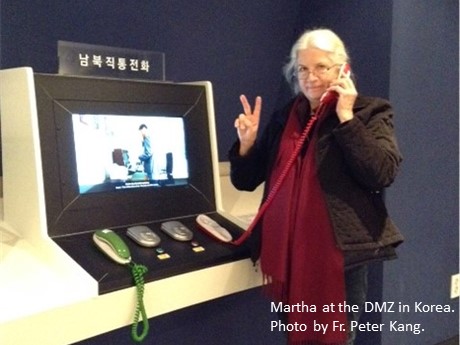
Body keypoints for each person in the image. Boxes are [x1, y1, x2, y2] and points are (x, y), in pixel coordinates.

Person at [228, 28, 404, 345]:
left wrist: (346, 118)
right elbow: (246, 179)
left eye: (321, 67)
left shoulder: (370, 112)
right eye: (303, 69)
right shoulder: (287, 116)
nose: (310, 77)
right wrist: (246, 144)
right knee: (295, 333)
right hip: (289, 253)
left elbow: (381, 172)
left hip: (339, 257)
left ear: (342, 70)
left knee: (337, 336)